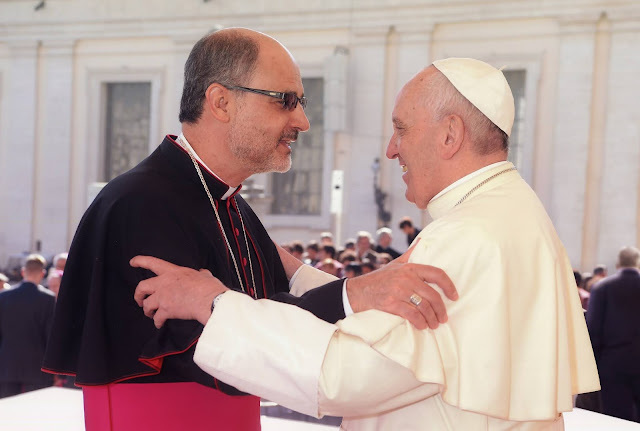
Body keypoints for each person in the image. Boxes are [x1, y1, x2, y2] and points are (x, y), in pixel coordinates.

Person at [134, 57, 600, 430]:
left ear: (450, 134)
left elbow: (344, 374)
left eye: (402, 128)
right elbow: (388, 325)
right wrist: (297, 273)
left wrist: (211, 302)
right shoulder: (504, 213)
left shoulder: (469, 235)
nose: (391, 149)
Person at [42, 28, 456, 431]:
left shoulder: (227, 202)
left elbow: (272, 316)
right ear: (221, 101)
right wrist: (356, 294)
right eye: (285, 101)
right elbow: (214, 346)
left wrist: (361, 292)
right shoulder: (141, 202)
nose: (303, 121)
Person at [586, 246, 640, 422]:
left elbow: (593, 330)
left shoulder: (602, 288)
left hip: (613, 364)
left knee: (616, 419)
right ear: (637, 263)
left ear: (617, 264)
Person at [0, 254, 55, 398]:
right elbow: (50, 336)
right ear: (42, 273)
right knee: (34, 412)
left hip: (7, 364)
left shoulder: (4, 296)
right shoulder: (48, 299)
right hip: (37, 366)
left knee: (7, 412)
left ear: (23, 272)